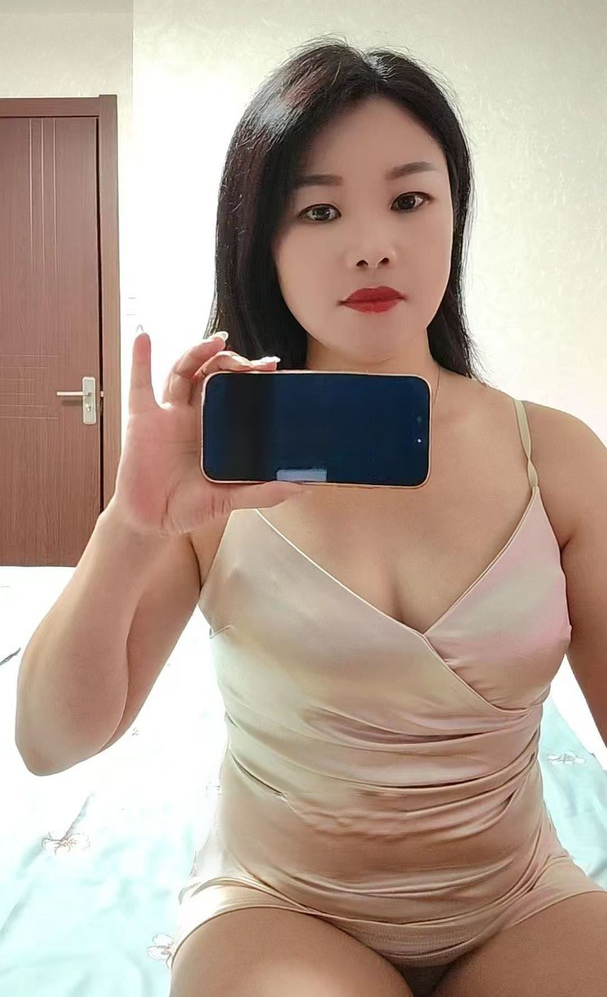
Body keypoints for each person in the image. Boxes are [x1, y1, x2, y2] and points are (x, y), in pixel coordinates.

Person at [16, 36, 607, 997]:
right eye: (319, 209)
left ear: (454, 214)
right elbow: (50, 743)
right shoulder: (219, 473)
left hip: (519, 897)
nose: (370, 242)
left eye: (409, 200)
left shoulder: (559, 457)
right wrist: (129, 524)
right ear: (263, 241)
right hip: (283, 908)